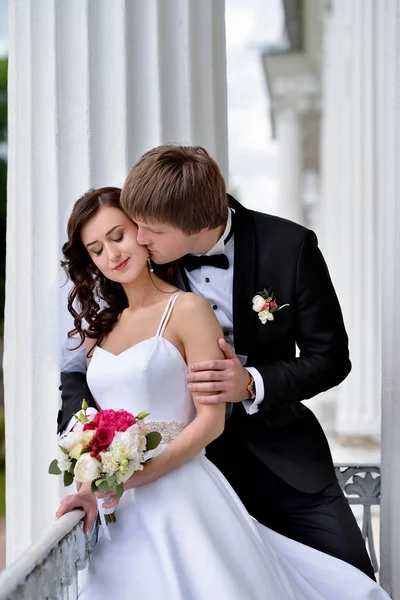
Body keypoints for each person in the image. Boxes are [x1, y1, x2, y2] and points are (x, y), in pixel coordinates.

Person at [56, 186, 390, 600]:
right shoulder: (99, 330)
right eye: (96, 249)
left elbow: (330, 357)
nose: (112, 253)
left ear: (144, 229)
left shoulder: (259, 261)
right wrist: (91, 478)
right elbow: (86, 401)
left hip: (262, 458)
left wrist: (250, 382)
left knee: (335, 575)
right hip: (137, 498)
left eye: (119, 235)